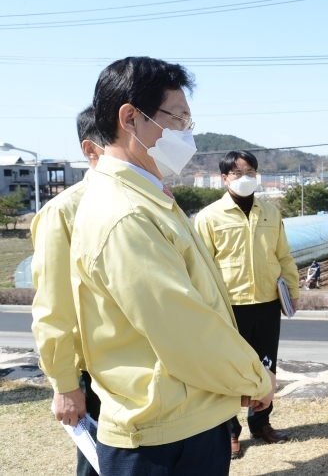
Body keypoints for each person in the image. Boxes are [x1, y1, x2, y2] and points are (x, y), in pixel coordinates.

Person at [71, 56, 275, 476]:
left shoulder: (147, 197)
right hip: (164, 432)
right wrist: (253, 379)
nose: (187, 133)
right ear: (130, 118)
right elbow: (182, 325)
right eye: (178, 118)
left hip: (184, 409)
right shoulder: (126, 213)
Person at [195, 150, 300, 458]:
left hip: (267, 302)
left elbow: (283, 255)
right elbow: (202, 266)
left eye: (251, 172)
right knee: (229, 370)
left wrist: (292, 291)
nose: (245, 179)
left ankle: (261, 422)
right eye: (238, 173)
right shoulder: (209, 217)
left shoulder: (270, 212)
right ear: (223, 178)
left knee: (266, 365)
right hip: (229, 307)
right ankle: (229, 432)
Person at [31, 106, 104, 476]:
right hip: (96, 369)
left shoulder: (158, 199)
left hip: (151, 368)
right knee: (99, 463)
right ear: (91, 149)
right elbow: (51, 305)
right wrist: (64, 384)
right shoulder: (63, 211)